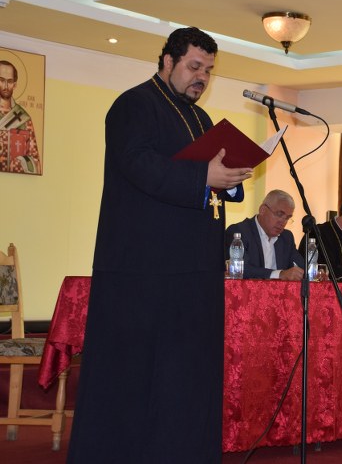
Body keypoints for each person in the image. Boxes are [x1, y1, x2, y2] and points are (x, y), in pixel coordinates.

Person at [67, 27, 252, 464]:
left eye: (208, 70)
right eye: (194, 67)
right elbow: (139, 165)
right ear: (167, 61)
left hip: (194, 273)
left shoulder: (201, 119)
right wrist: (204, 177)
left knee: (186, 378)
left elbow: (212, 177)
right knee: (136, 379)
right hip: (142, 271)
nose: (201, 77)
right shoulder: (134, 105)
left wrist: (228, 181)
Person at [225, 189, 304, 280]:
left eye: (287, 218)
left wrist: (312, 272)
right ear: (262, 210)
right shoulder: (239, 232)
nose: (283, 222)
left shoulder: (286, 237)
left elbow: (302, 267)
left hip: (279, 290)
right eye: (279, 214)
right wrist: (279, 274)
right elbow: (240, 269)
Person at [0, 60, 40, 174]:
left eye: (9, 81)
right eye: (1, 80)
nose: (6, 86)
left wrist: (20, 162)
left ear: (15, 84)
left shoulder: (24, 119)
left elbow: (35, 160)